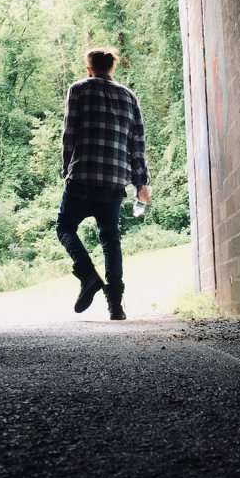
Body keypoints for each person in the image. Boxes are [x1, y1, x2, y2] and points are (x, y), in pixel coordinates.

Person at [56, 47, 151, 320]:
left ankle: (88, 274)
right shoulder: (129, 96)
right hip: (114, 181)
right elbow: (137, 144)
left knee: (65, 227)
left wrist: (67, 169)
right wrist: (140, 183)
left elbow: (69, 134)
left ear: (89, 68)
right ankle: (116, 306)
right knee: (110, 239)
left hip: (82, 176)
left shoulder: (78, 89)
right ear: (112, 67)